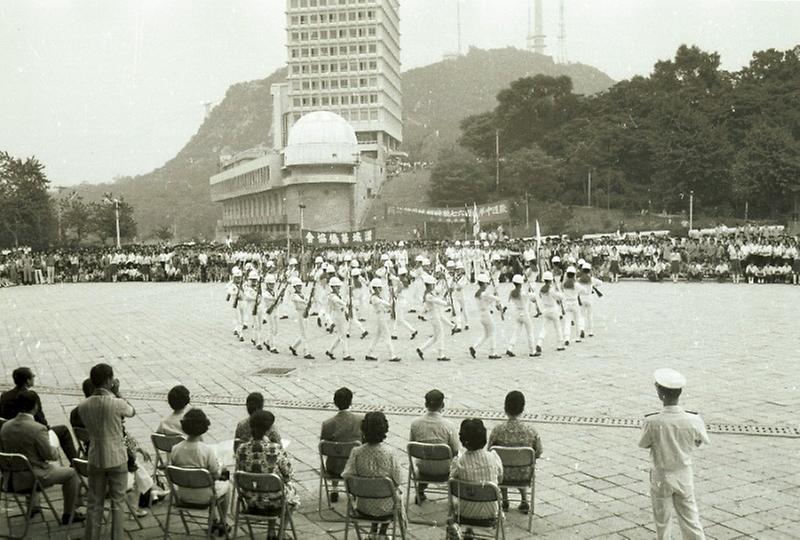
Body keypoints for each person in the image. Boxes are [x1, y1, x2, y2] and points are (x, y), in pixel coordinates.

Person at [639, 368, 709, 540]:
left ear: (659, 393)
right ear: (680, 393)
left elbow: (644, 443)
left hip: (661, 476)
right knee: (690, 518)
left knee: (662, 521)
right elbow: (701, 441)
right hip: (684, 474)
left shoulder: (652, 421)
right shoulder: (694, 419)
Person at [0, 390, 84, 525]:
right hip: (33, 477)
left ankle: (34, 506)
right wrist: (55, 449)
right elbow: (49, 455)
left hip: (9, 479)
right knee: (71, 474)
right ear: (35, 407)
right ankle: (69, 513)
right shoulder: (37, 428)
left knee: (31, 461)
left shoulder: (5, 427)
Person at [77, 363, 136, 540]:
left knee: (95, 502)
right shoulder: (117, 403)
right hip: (116, 456)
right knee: (117, 502)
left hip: (95, 456)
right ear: (109, 380)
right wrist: (117, 392)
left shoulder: (83, 405)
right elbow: (132, 411)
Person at [235, 410, 299, 538]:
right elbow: (288, 474)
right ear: (268, 429)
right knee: (291, 492)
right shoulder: (275, 449)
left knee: (271, 485)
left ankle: (271, 531)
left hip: (251, 498)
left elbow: (239, 473)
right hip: (275, 500)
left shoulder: (241, 449)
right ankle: (279, 533)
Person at [342, 412, 406, 538]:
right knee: (394, 492)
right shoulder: (390, 453)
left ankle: (373, 530)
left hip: (363, 505)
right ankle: (382, 532)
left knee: (372, 490)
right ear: (384, 430)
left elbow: (347, 476)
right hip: (386, 507)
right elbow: (399, 479)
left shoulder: (357, 452)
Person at [170, 408, 232, 536]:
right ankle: (222, 521)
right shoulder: (206, 451)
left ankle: (214, 520)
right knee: (226, 486)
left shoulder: (175, 449)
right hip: (205, 497)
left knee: (209, 484)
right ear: (204, 427)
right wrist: (222, 469)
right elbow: (215, 476)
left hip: (183, 494)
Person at [0, 367, 78, 464]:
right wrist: (46, 428)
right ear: (28, 381)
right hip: (31, 433)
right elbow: (40, 420)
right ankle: (75, 462)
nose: (34, 377)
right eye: (32, 376)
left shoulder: (4, 396)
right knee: (63, 430)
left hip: (11, 433)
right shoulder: (31, 396)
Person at [487, 391, 543, 514]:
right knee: (520, 465)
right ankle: (524, 499)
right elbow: (538, 452)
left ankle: (505, 499)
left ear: (505, 408)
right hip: (523, 475)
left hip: (503, 474)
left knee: (501, 464)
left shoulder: (498, 430)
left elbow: (489, 450)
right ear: (523, 408)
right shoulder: (531, 431)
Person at [449, 418, 504, 529]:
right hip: (491, 513)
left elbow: (452, 480)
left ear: (462, 440)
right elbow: (500, 478)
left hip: (464, 513)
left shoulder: (459, 462)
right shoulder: (493, 457)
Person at [408, 389, 459, 504]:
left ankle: (420, 490)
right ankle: (454, 495)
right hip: (445, 470)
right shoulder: (448, 425)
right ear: (443, 405)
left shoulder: (415, 423)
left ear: (425, 404)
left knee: (426, 456)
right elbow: (455, 450)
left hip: (423, 468)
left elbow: (411, 446)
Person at [320, 387, 362, 503]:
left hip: (334, 468)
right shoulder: (360, 420)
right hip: (355, 467)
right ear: (351, 401)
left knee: (335, 453)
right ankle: (354, 488)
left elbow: (323, 448)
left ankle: (334, 488)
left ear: (335, 403)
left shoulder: (327, 424)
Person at [416, 274, 451, 361]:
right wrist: (446, 303)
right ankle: (441, 355)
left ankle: (421, 349)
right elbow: (437, 300)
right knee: (441, 334)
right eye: (432, 284)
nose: (434, 286)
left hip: (434, 316)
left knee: (436, 337)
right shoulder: (428, 295)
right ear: (429, 285)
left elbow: (438, 294)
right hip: (434, 316)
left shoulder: (430, 293)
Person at [364, 278, 400, 362]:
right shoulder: (374, 298)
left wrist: (391, 304)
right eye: (379, 288)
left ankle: (369, 353)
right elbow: (383, 303)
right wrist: (390, 305)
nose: (381, 289)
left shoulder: (377, 296)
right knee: (387, 336)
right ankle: (392, 355)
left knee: (377, 336)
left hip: (381, 316)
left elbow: (385, 305)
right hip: (380, 318)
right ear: (375, 288)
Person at [469, 273, 502, 360]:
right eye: (486, 283)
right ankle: (492, 352)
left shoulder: (477, 293)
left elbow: (489, 300)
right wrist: (496, 297)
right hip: (486, 314)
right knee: (493, 332)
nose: (487, 285)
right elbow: (496, 299)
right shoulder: (484, 294)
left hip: (481, 315)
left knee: (486, 334)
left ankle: (475, 347)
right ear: (483, 284)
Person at [505, 274, 538, 357]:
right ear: (521, 284)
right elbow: (534, 298)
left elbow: (508, 302)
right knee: (530, 332)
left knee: (516, 332)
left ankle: (510, 348)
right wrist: (532, 290)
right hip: (525, 313)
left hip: (517, 313)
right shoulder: (523, 293)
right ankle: (532, 351)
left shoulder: (511, 293)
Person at [534, 272, 565, 355]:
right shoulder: (551, 290)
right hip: (553, 310)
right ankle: (560, 345)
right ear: (551, 280)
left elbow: (540, 297)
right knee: (558, 327)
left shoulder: (541, 290)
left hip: (546, 310)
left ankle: (539, 343)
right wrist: (559, 291)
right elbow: (561, 297)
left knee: (544, 328)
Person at [288, 276, 314, 359]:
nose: (299, 287)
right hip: (300, 314)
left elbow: (307, 302)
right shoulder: (294, 296)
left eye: (300, 286)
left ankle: (293, 346)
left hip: (305, 313)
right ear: (294, 287)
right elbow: (302, 302)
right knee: (304, 334)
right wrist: (308, 301)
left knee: (304, 333)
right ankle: (306, 352)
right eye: (297, 286)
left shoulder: (302, 294)